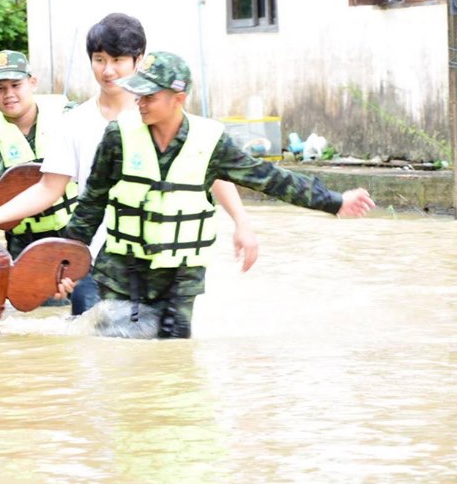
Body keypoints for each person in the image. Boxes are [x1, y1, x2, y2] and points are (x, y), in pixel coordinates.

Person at [53, 51, 375, 338]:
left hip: (179, 278)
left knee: (173, 363)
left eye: (150, 96)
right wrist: (62, 263)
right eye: (138, 94)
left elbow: (269, 178)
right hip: (123, 270)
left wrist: (335, 201)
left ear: (178, 99)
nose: (140, 102)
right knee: (116, 354)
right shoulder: (118, 136)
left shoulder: (211, 141)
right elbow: (91, 204)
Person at [0, 14, 258, 315]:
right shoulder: (74, 123)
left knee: (165, 357)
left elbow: (210, 169)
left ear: (138, 61)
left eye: (118, 60)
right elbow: (48, 188)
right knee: (92, 353)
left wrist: (242, 222)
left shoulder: (165, 116)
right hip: (96, 267)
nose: (108, 71)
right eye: (99, 60)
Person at [0, 50, 78, 306]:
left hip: (78, 240)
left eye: (16, 85)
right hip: (27, 252)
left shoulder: (72, 123)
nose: (9, 94)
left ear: (32, 83)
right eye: (0, 88)